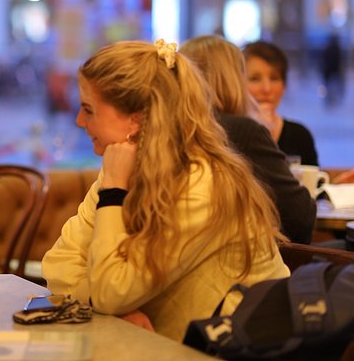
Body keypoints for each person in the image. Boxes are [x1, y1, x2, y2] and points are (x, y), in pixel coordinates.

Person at [42, 40, 288, 342]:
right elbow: (58, 262)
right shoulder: (120, 168)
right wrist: (108, 306)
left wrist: (114, 195)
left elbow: (113, 290)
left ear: (136, 119)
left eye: (89, 110)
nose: (80, 122)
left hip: (241, 347)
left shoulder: (202, 185)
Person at [180, 36, 315, 244]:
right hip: (243, 264)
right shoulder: (242, 131)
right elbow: (300, 220)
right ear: (233, 80)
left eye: (275, 78)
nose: (266, 89)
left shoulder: (176, 128)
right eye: (251, 77)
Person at [243, 40, 319, 166]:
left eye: (274, 78)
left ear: (284, 86)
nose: (267, 89)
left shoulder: (300, 136)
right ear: (238, 85)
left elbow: (312, 184)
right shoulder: (230, 137)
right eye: (255, 79)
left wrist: (337, 185)